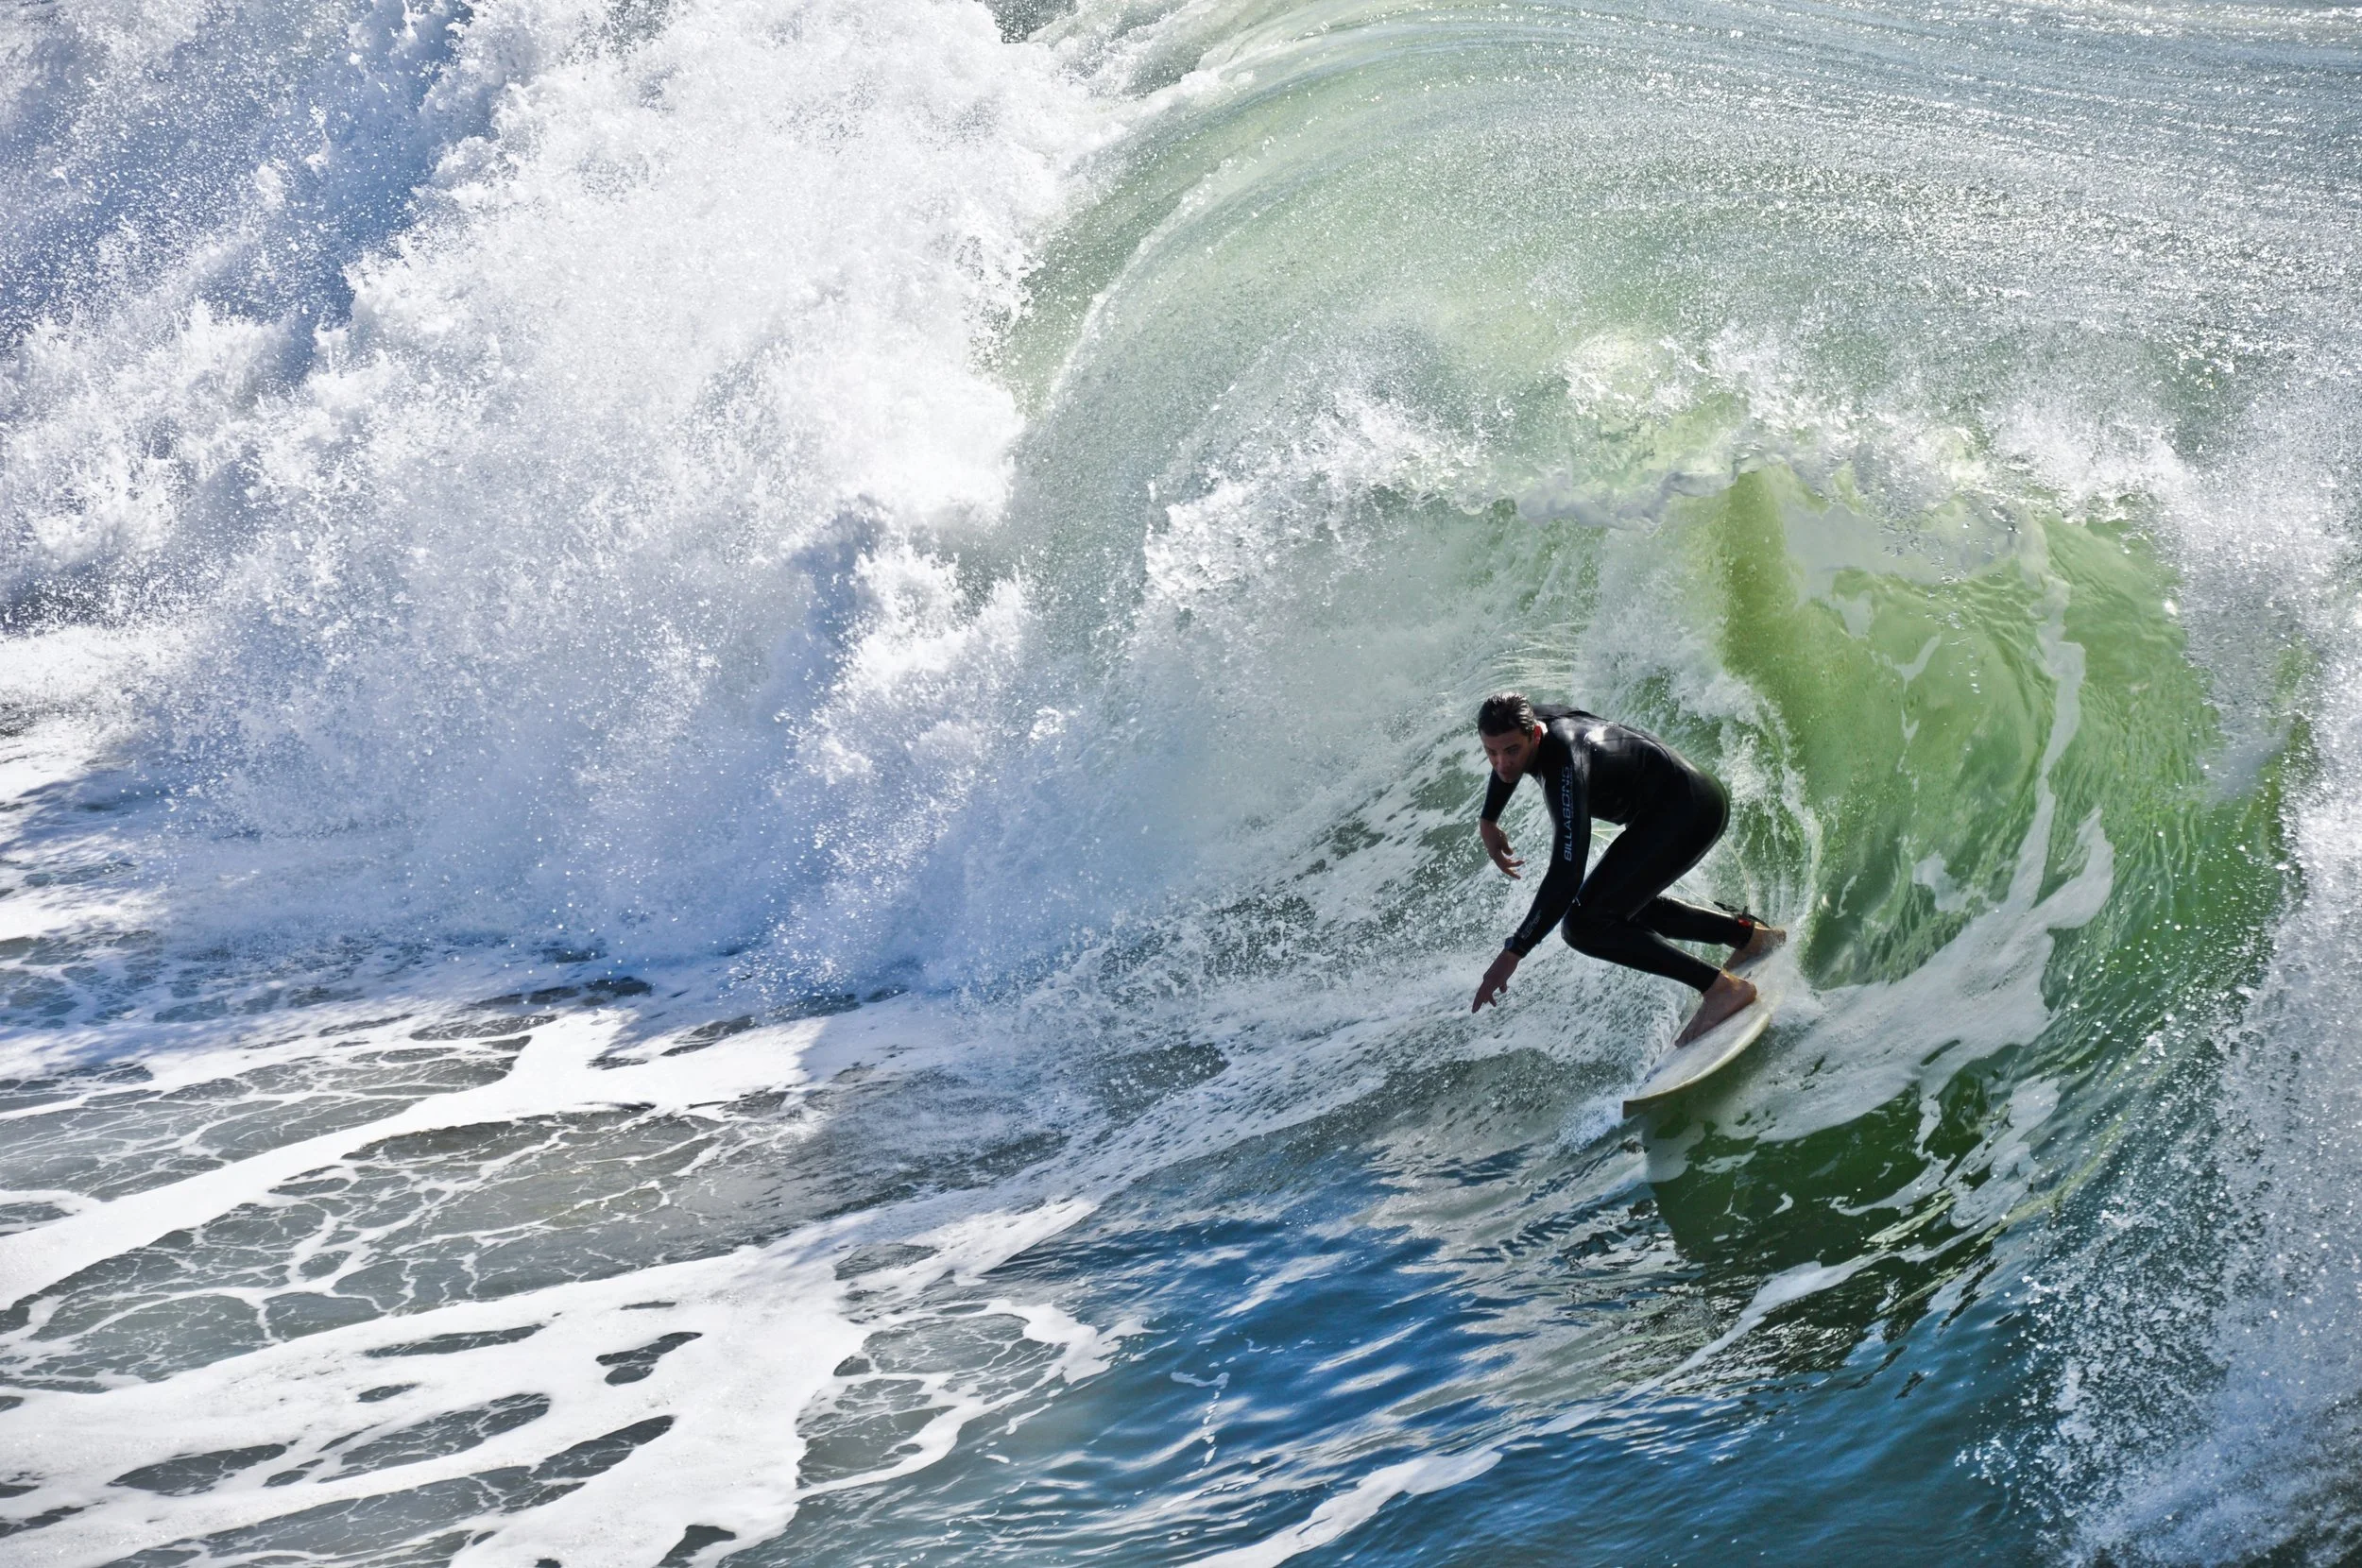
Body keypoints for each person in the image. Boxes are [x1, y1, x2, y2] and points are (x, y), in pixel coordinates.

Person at [1467, 690, 1782, 1044]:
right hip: (1679, 801)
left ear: (1535, 736)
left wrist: (1515, 950)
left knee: (1584, 925)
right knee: (1611, 905)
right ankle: (1749, 937)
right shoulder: (1526, 721)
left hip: (1688, 811)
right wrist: (1488, 819)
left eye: (1511, 751)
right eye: (1490, 753)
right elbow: (1507, 766)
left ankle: (1721, 989)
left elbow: (1566, 874)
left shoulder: (1565, 768)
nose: (1502, 763)